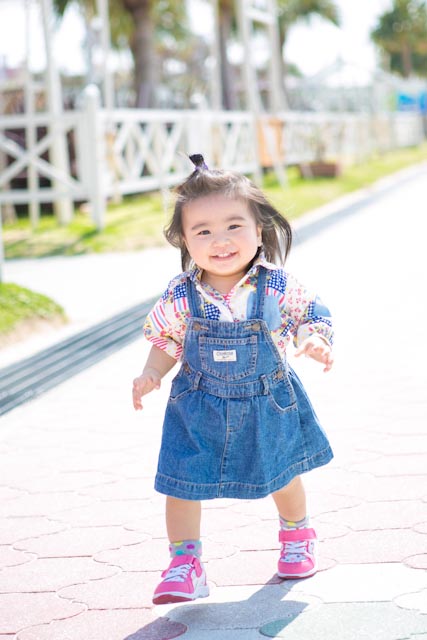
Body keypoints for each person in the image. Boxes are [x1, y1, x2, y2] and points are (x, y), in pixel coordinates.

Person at [132, 154, 334, 606]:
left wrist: (314, 340)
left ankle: (297, 535)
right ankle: (185, 563)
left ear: (259, 231)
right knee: (180, 481)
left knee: (282, 472)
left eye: (233, 226)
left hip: (267, 400)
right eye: (203, 231)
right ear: (185, 240)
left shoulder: (275, 285)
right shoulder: (181, 293)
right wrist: (151, 372)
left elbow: (308, 315)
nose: (220, 240)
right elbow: (167, 339)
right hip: (196, 405)